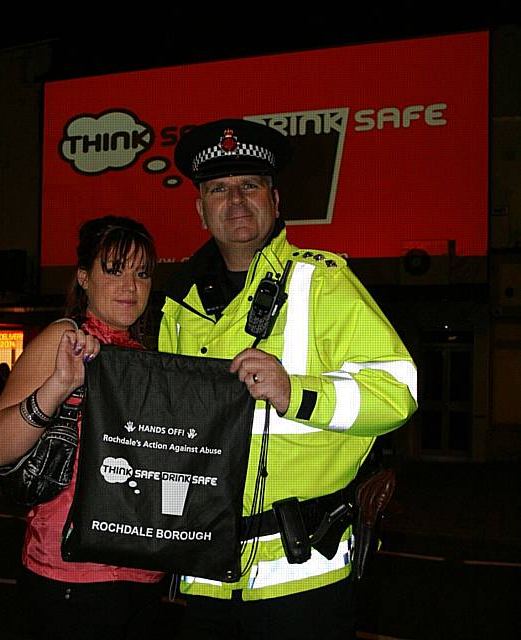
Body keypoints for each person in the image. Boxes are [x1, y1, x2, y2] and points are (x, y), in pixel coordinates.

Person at [159, 119, 418, 639]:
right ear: (200, 208)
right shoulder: (176, 302)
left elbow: (399, 393)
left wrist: (296, 392)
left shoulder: (321, 281)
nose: (235, 200)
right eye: (218, 189)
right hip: (203, 573)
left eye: (249, 186)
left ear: (275, 201)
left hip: (302, 574)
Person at [0, 216, 164, 640]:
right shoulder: (65, 337)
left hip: (143, 574)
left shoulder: (146, 356)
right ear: (84, 277)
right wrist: (62, 383)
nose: (130, 287)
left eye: (142, 273)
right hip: (69, 575)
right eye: (114, 270)